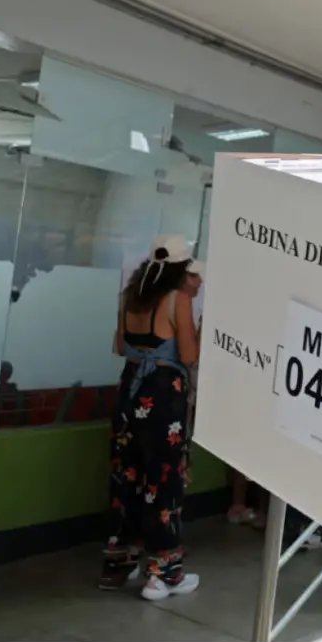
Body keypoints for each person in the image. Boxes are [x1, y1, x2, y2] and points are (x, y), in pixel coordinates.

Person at [100, 234, 203, 600]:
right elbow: (189, 357)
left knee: (126, 475)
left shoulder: (130, 297)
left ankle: (119, 558)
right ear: (181, 268)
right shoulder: (178, 300)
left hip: (129, 393)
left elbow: (119, 347)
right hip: (163, 396)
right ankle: (164, 573)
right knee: (162, 480)